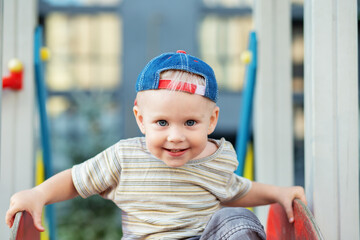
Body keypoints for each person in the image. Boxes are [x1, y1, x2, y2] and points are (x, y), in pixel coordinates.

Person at [6, 50, 306, 239]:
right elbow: (76, 180)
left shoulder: (219, 158)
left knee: (237, 219)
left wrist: (278, 194)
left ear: (211, 120)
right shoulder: (125, 157)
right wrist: (38, 194)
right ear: (141, 120)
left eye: (190, 123)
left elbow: (238, 190)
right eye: (162, 123)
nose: (176, 136)